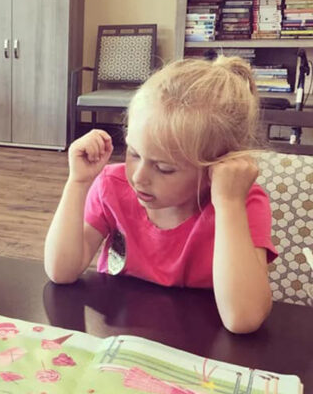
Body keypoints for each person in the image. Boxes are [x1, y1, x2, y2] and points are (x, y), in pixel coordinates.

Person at [44, 56, 277, 334]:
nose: (139, 176)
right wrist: (78, 182)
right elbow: (61, 271)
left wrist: (229, 204)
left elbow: (243, 319)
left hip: (197, 348)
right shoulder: (112, 185)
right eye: (133, 153)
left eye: (164, 168)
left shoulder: (243, 202)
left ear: (218, 167)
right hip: (120, 339)